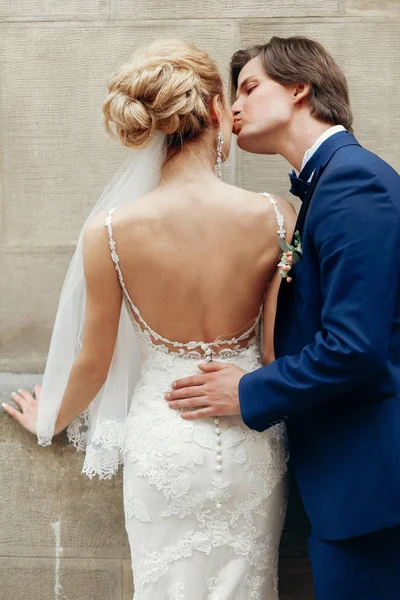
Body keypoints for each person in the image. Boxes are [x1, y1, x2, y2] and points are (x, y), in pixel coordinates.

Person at [2, 40, 297, 599]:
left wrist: (48, 421)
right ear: (215, 110)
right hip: (251, 438)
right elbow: (272, 354)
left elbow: (93, 363)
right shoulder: (275, 215)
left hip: (164, 442)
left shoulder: (109, 233)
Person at [166, 36, 400, 600]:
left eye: (250, 87)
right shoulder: (326, 184)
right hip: (349, 484)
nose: (235, 106)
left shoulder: (354, 182)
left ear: (300, 89)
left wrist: (249, 390)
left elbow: (354, 346)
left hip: (372, 489)